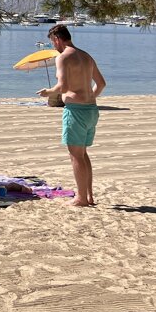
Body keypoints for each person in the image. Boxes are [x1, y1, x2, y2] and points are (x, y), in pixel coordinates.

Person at [38, 24, 106, 207]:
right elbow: (101, 84)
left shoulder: (63, 58)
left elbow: (63, 86)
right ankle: (89, 196)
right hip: (91, 109)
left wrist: (48, 92)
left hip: (76, 111)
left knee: (75, 155)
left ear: (57, 39)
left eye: (52, 42)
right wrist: (89, 97)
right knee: (82, 154)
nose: (53, 46)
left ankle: (82, 198)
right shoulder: (86, 56)